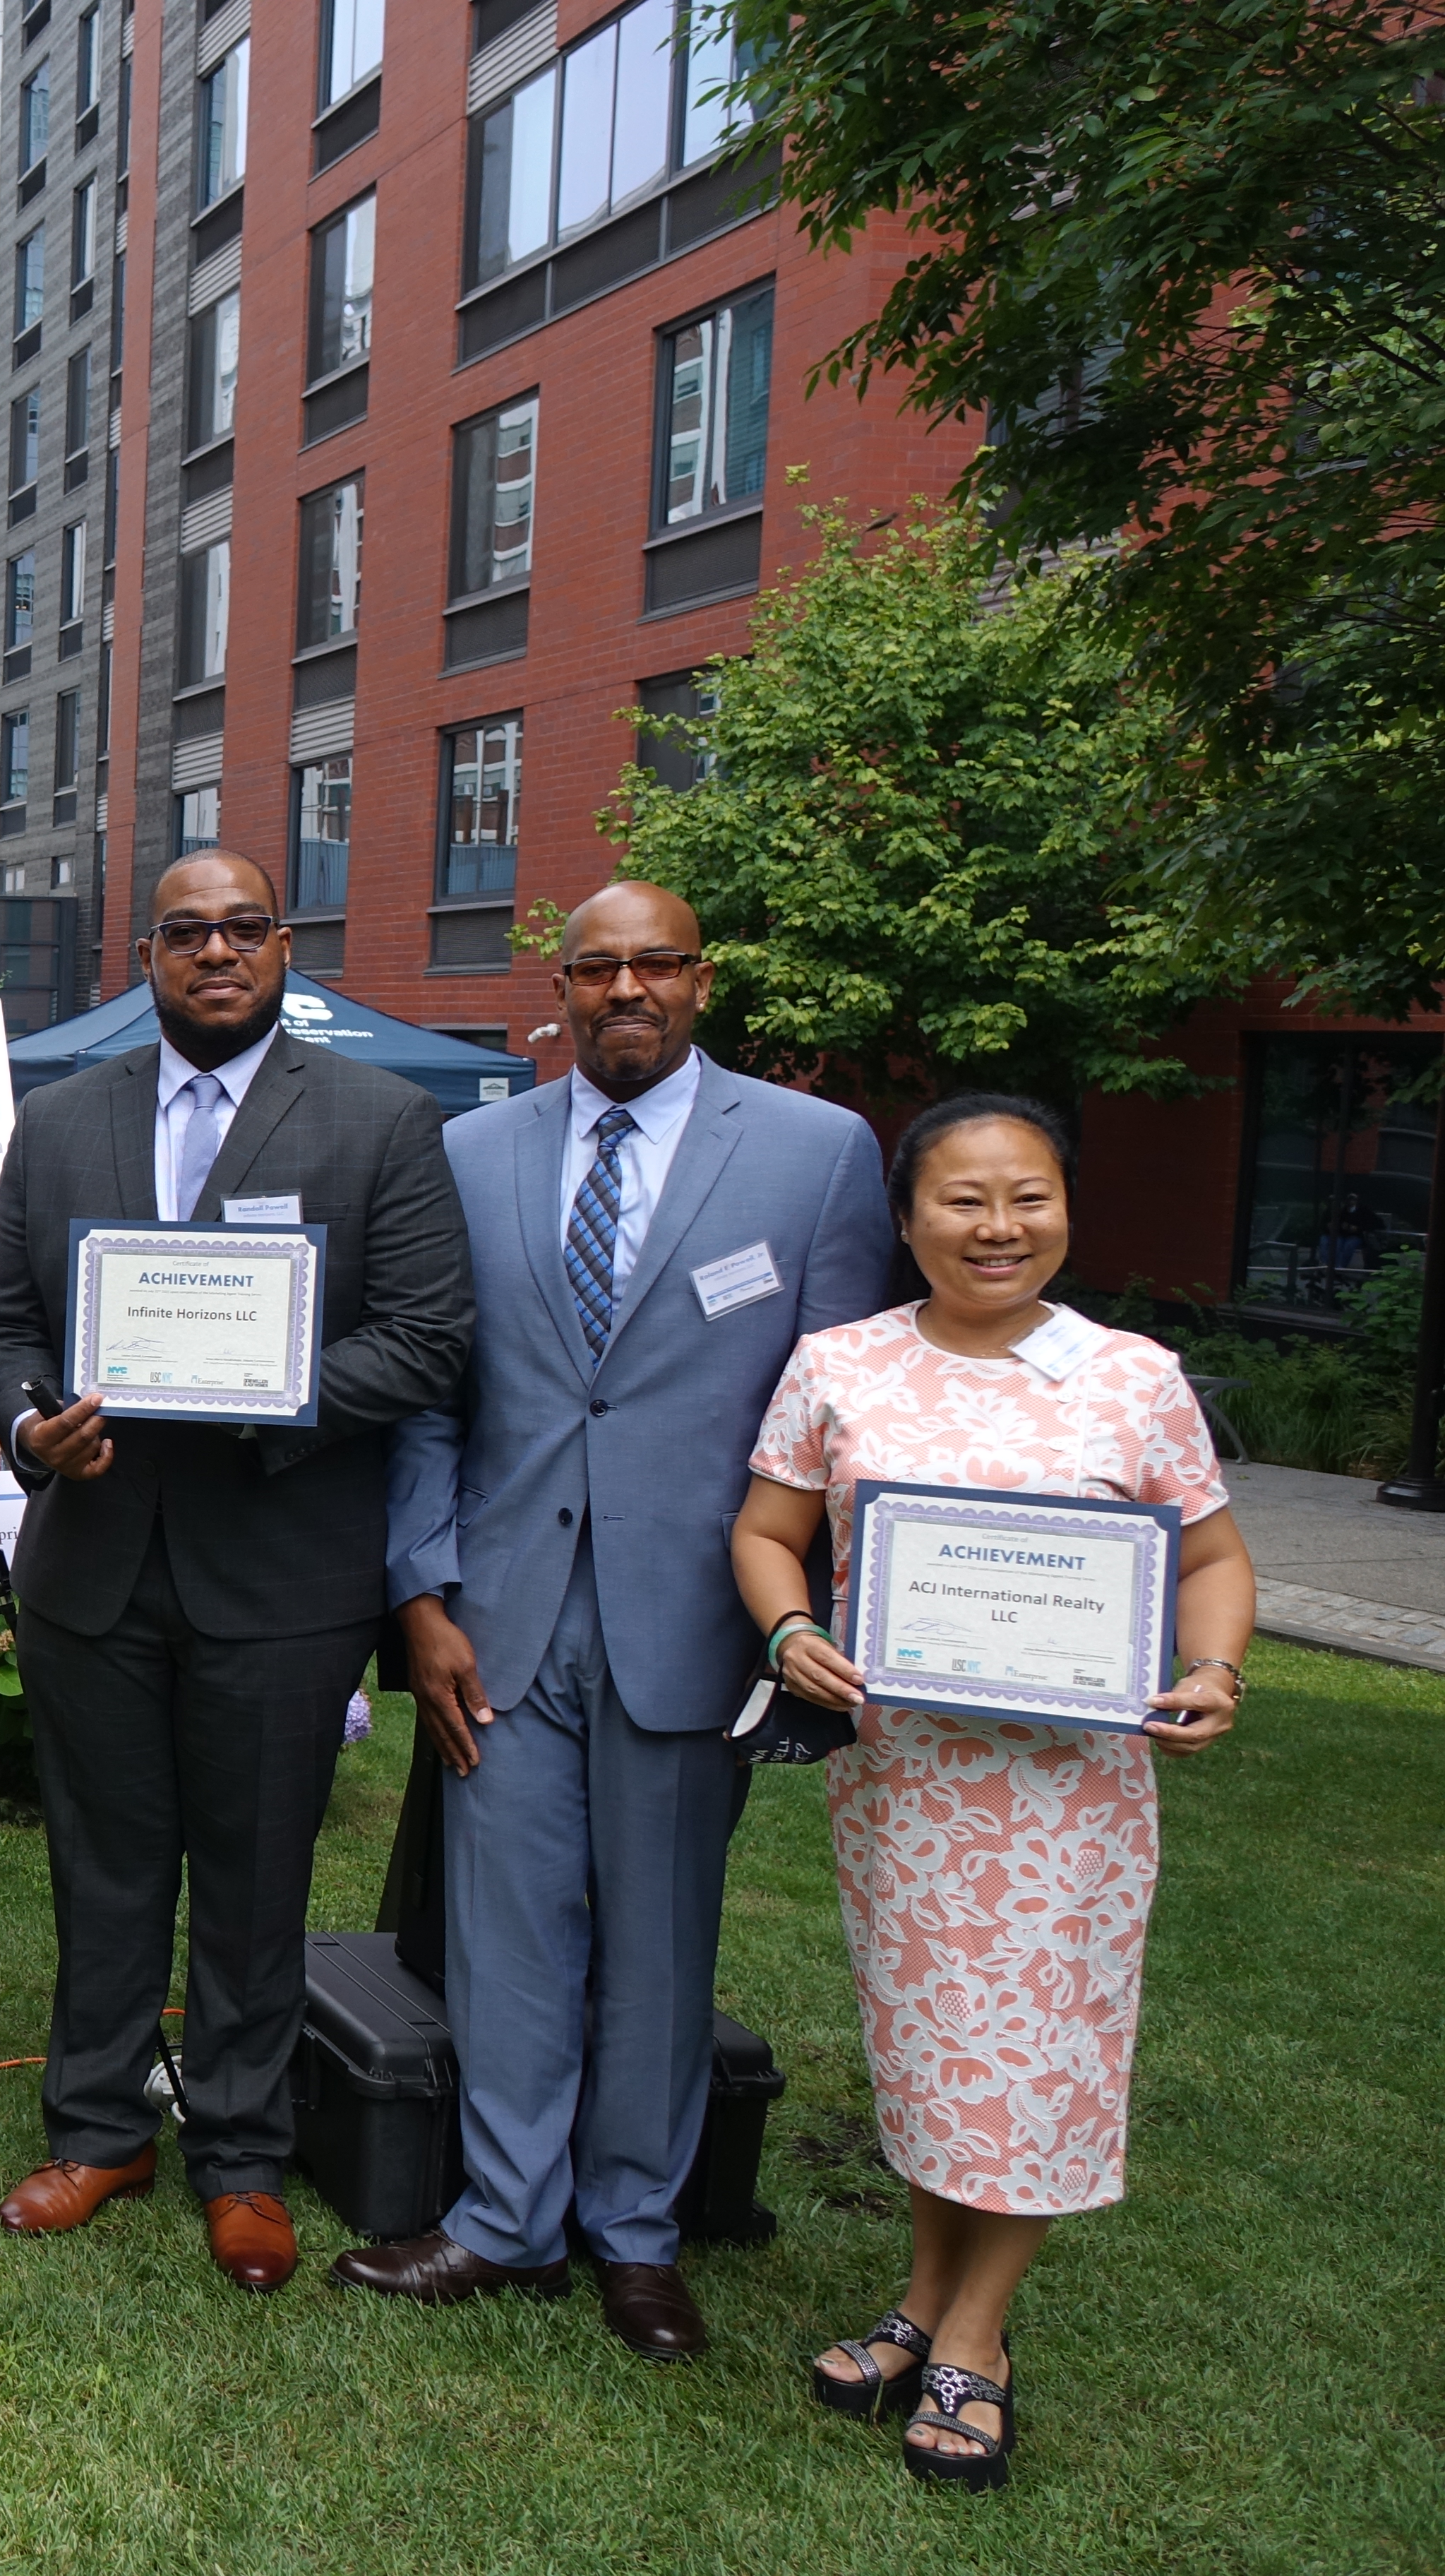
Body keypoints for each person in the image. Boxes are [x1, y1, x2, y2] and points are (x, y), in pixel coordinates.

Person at [339, 881, 886, 2356]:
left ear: (702, 982)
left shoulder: (817, 1158)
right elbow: (433, 1406)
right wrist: (422, 1596)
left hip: (698, 1622)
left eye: (655, 965)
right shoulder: (467, 1154)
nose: (624, 989)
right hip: (499, 1619)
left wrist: (815, 1628)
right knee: (509, 1934)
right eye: (596, 969)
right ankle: (506, 2221)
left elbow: (840, 1413)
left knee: (658, 1942)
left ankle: (635, 2232)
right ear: (560, 989)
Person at [734, 1095, 1254, 2493]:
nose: (998, 1226)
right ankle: (921, 2289)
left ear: (1067, 1209)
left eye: (1028, 1196)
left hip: (1069, 1799)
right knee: (932, 2052)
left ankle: (976, 2335)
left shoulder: (1132, 1378)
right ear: (907, 1218)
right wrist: (791, 1632)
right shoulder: (840, 1365)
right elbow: (770, 1529)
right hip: (905, 1791)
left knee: (1035, 2065)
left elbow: (1210, 1557)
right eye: (964, 1199)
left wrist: (1215, 1671)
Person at [0, 847, 472, 2292]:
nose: (215, 952)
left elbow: (432, 1334)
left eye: (242, 929)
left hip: (285, 1562)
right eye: (186, 932)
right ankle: (99, 2126)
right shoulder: (64, 1123)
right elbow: (8, 1324)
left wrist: (270, 1394)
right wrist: (28, 1422)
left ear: (285, 947)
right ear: (148, 955)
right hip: (98, 1564)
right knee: (106, 1869)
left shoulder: (382, 1122)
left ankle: (243, 2156)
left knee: (257, 1878)